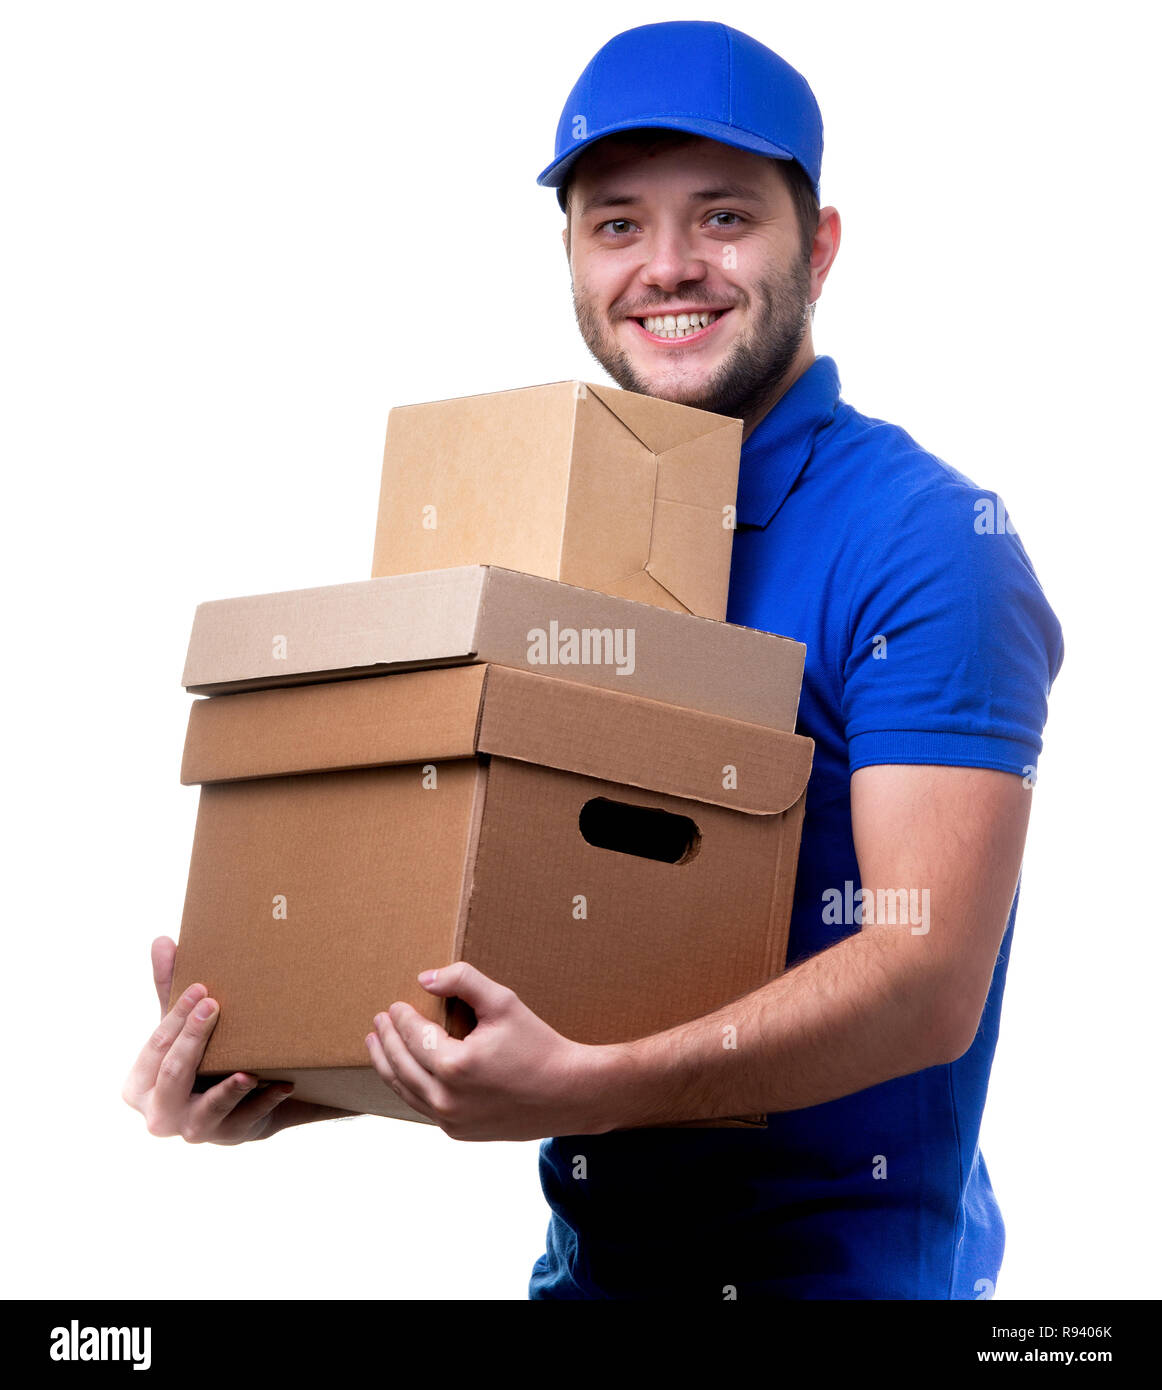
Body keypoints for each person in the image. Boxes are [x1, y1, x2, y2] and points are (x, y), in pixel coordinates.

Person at [124, 19, 1065, 1301]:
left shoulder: (926, 544)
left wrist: (589, 1089)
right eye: (616, 224)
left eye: (723, 217)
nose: (666, 267)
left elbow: (922, 977)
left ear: (820, 247)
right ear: (570, 256)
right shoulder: (567, 528)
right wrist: (289, 1071)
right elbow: (544, 947)